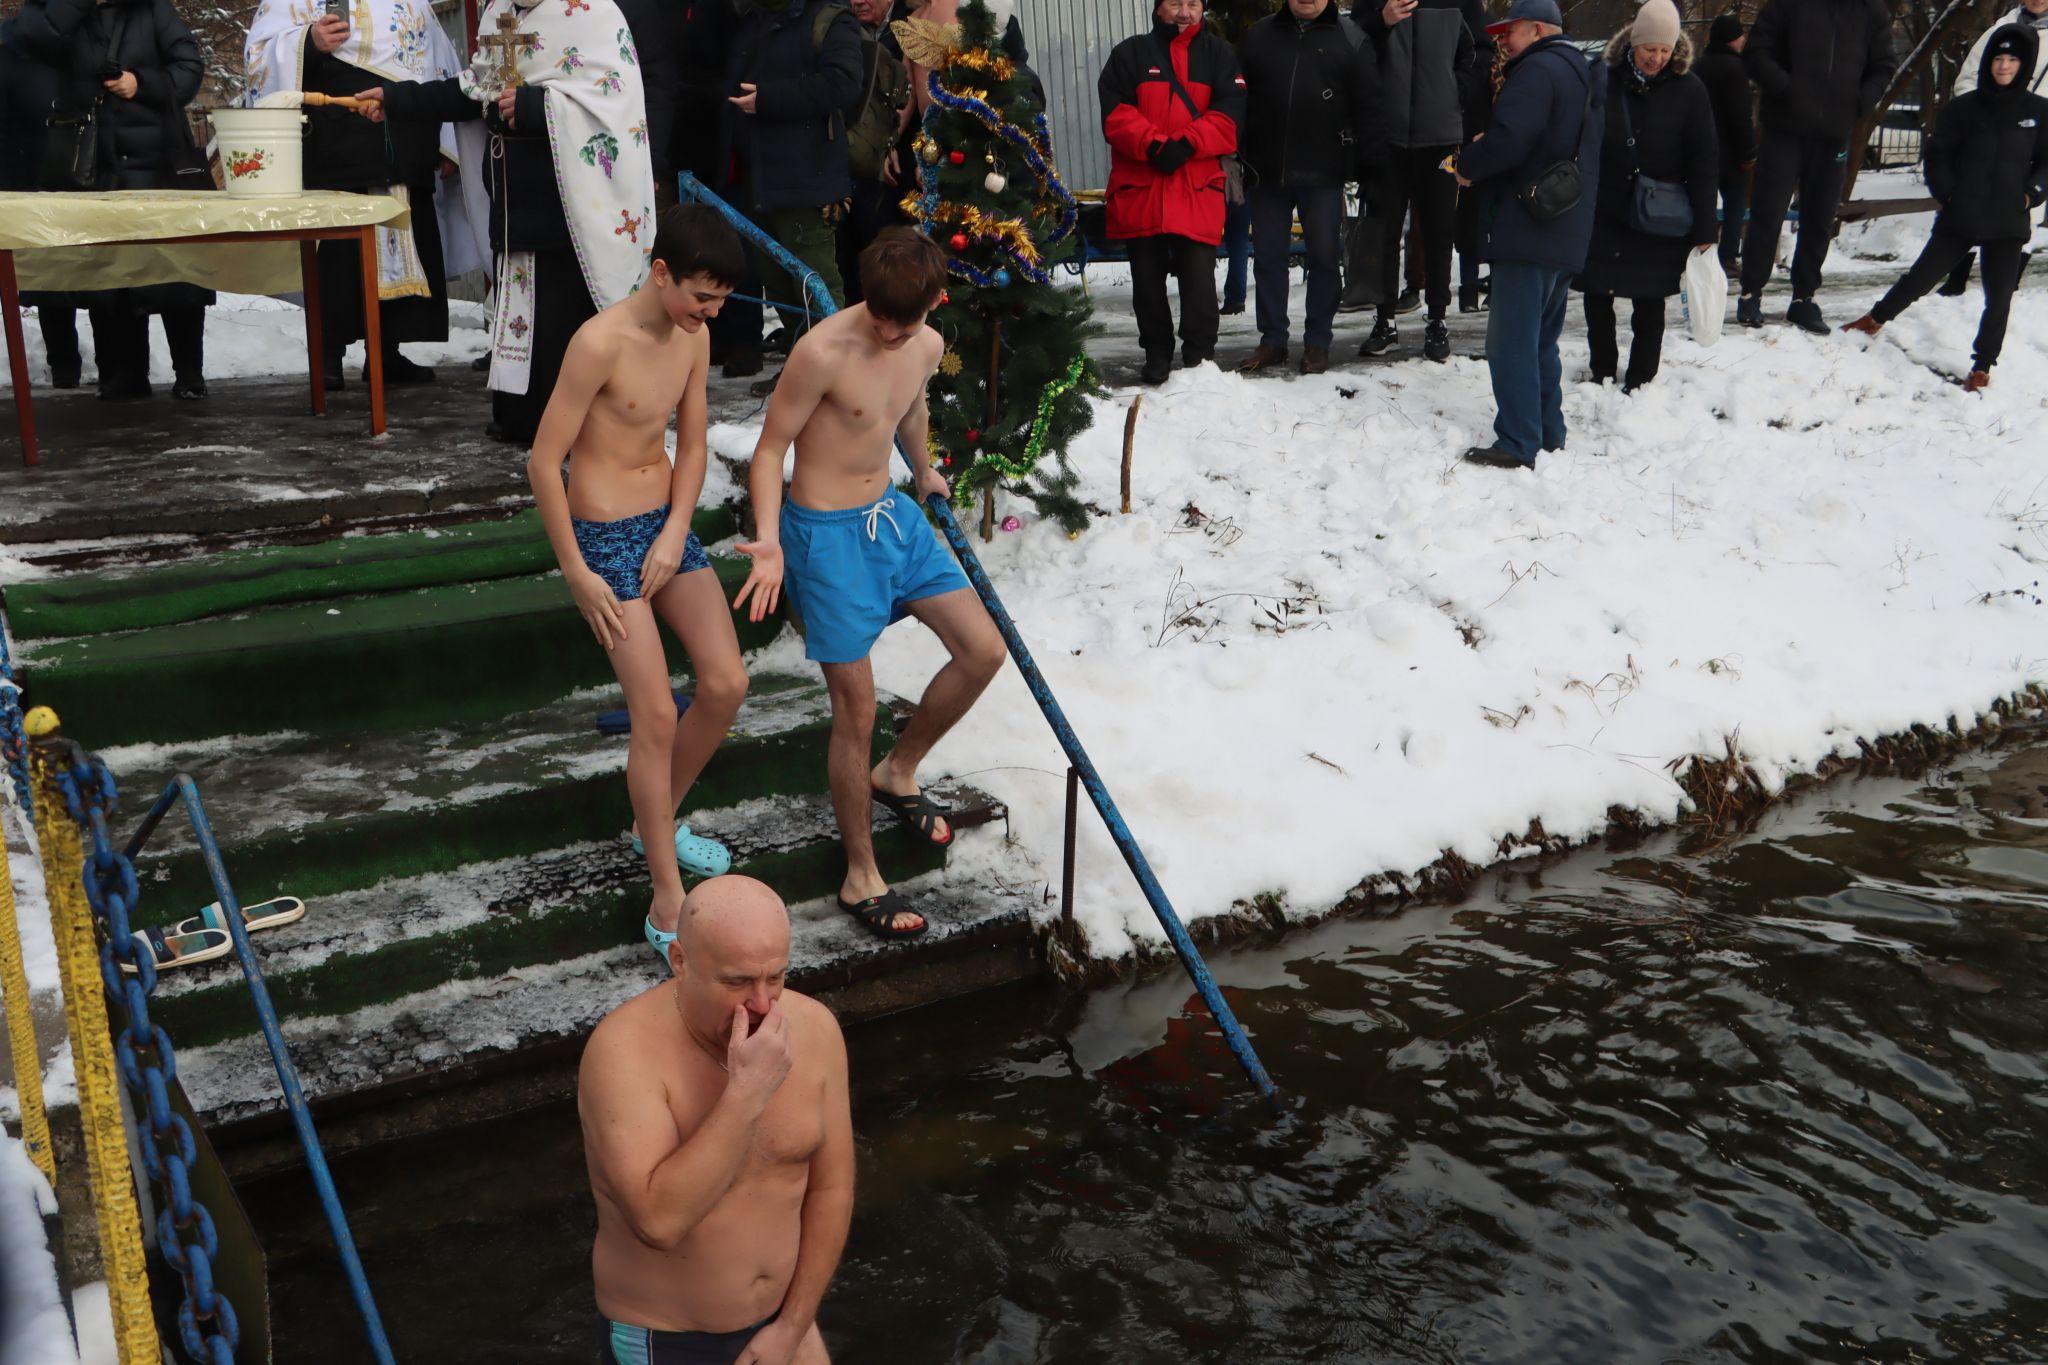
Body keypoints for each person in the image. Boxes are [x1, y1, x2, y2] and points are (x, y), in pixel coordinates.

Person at [732, 229, 1005, 940]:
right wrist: (768, 541)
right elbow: (769, 450)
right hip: (824, 536)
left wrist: (923, 465)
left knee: (984, 649)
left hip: (893, 517)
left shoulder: (925, 344)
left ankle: (899, 770)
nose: (887, 331)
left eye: (902, 322)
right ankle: (861, 873)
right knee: (855, 704)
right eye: (878, 315)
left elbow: (908, 406)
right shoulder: (822, 350)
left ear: (931, 305)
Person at [527, 206, 753, 955]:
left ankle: (653, 821)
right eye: (701, 297)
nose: (709, 313)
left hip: (665, 528)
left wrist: (680, 526)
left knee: (725, 684)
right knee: (654, 714)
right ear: (662, 274)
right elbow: (542, 460)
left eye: (720, 301)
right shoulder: (599, 343)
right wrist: (576, 572)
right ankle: (666, 898)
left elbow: (692, 442)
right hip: (604, 541)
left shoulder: (694, 337)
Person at [358, 0, 659, 447]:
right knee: (519, 313)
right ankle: (519, 417)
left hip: (571, 212)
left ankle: (567, 427)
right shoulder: (503, 10)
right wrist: (396, 98)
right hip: (512, 200)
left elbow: (614, 101)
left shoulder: (592, 12)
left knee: (562, 318)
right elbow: (476, 87)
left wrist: (535, 104)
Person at [580, 875, 849, 1365]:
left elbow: (832, 1189)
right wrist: (747, 1092)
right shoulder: (622, 1052)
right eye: (737, 982)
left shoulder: (815, 1030)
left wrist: (792, 1326)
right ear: (679, 961)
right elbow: (658, 1222)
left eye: (776, 977)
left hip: (784, 1327)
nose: (763, 1005)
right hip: (669, 1338)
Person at [244, 0, 491, 389]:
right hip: (332, 146)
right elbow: (259, 55)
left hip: (402, 141)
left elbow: (437, 64)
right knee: (336, 260)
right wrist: (308, 41)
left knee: (405, 243)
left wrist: (446, 145)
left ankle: (387, 354)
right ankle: (328, 358)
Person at [9, 0, 211, 401]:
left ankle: (189, 372)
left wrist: (142, 84)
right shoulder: (56, 10)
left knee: (175, 269)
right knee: (108, 273)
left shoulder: (152, 10)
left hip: (158, 163)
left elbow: (188, 68)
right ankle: (122, 374)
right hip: (89, 163)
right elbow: (30, 42)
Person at [1839, 25, 2048, 393]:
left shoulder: (2039, 111)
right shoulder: (1963, 109)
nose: (2003, 66)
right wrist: (1949, 194)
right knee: (1920, 277)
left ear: (2024, 64)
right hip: (1961, 213)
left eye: (2012, 59)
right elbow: (1939, 155)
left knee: (1999, 298)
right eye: (1998, 58)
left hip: (2008, 219)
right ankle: (1875, 318)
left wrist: (2031, 194)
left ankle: (1982, 367)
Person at [1453, 0, 1601, 470]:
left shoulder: (1536, 72)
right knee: (1540, 341)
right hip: (1563, 226)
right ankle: (1548, 434)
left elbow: (1511, 139)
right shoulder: (1580, 71)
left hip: (1527, 225)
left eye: (1510, 32)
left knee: (1510, 342)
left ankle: (1518, 441)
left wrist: (1466, 165)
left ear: (1535, 30)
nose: (1503, 41)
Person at [1098, 0, 1247, 386]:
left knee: (1199, 280)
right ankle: (1157, 354)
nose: (1185, 12)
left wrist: (1185, 143)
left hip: (1196, 186)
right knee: (1146, 282)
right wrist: (1153, 145)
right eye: (1176, 3)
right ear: (1158, 8)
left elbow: (1232, 115)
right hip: (1143, 187)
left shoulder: (1220, 55)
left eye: (1193, 4)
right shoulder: (1129, 54)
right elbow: (1115, 114)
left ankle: (1200, 357)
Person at [1573, 0, 1717, 393]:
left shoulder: (1690, 90)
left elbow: (1704, 160)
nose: (1656, 58)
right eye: (1649, 48)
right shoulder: (1603, 78)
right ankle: (1601, 367)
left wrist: (1706, 225)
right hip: (1605, 205)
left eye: (1664, 50)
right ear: (1633, 42)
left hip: (1660, 212)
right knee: (1597, 293)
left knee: (1650, 299)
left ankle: (1641, 378)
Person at [1234, 0, 1382, 376]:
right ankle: (1273, 341)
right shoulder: (1259, 36)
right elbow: (1237, 99)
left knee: (1323, 259)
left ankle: (1318, 341)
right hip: (1266, 171)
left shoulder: (1351, 39)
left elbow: (1369, 108)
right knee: (1268, 258)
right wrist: (1238, 152)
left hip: (1324, 172)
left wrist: (1368, 166)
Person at [718, 0, 865, 372]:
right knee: (779, 284)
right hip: (759, 179)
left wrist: (768, 99)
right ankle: (808, 370)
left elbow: (844, 82)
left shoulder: (830, 19)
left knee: (816, 285)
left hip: (808, 180)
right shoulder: (754, 17)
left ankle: (839, 378)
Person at [1734, 0, 1895, 334]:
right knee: (1767, 214)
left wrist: (1860, 100)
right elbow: (1756, 54)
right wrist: (1788, 89)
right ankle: (1751, 294)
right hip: (1784, 128)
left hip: (1834, 134)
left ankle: (1804, 299)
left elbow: (1884, 66)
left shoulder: (1870, 11)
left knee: (1819, 218)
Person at [1353, 0, 1484, 361]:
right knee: (1385, 232)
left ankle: (1438, 320)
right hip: (1388, 137)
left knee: (1439, 232)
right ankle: (1384, 320)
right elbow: (1353, 43)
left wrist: (1455, 91)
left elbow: (1479, 51)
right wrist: (1382, 21)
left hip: (1440, 136)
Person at [1937, 0, 2048, 293]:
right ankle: (1956, 279)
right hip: (1985, 136)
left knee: (2026, 210)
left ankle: (2009, 281)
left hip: (2031, 137)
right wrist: (1981, 112)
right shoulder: (1998, 30)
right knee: (1973, 198)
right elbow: (1968, 77)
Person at [836, 0, 914, 306]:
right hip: (849, 157)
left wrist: (890, 142)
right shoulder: (841, 27)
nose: (857, 1)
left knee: (885, 246)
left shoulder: (910, 25)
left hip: (897, 161)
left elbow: (911, 95)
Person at [1696, 13, 1756, 277]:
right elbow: (1740, 116)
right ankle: (1728, 257)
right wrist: (1748, 152)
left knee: (1703, 203)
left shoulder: (1698, 66)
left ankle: (1700, 254)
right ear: (1733, 39)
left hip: (1701, 149)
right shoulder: (1736, 69)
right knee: (1735, 204)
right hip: (1731, 152)